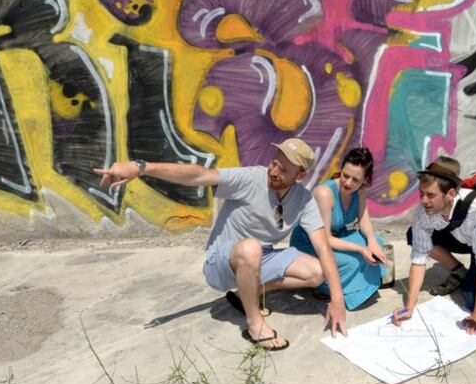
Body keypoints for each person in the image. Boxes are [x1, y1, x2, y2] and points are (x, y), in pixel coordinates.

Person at [94, 138, 347, 351]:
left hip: (261, 257)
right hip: (222, 262)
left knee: (316, 272)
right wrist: (141, 167)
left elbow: (323, 247)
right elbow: (199, 175)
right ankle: (254, 324)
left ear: (300, 175)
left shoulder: (303, 199)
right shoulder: (250, 178)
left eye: (283, 170)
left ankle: (247, 292)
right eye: (274, 163)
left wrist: (337, 300)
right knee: (250, 248)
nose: (274, 171)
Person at [392, 156, 476, 330]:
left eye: (431, 195)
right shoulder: (423, 211)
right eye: (421, 193)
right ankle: (459, 271)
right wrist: (409, 307)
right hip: (463, 237)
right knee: (415, 235)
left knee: (473, 301)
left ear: (450, 194)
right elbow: (419, 259)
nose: (424, 200)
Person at [290, 147, 388, 310]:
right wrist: (362, 249)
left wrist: (371, 242)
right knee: (352, 262)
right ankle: (323, 287)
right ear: (341, 170)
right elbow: (325, 239)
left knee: (377, 241)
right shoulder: (325, 193)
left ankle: (355, 282)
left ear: (364, 180)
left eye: (355, 179)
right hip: (311, 245)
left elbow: (364, 222)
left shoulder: (360, 191)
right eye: (345, 175)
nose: (348, 183)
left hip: (337, 238)